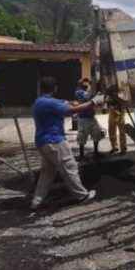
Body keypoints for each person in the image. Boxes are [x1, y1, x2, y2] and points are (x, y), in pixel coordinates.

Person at [31, 76, 103, 210]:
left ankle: (37, 200)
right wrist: (94, 102)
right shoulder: (51, 103)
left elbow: (63, 104)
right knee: (70, 167)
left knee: (47, 173)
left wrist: (69, 101)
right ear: (55, 88)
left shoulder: (39, 101)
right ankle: (82, 196)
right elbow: (72, 110)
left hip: (42, 142)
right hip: (54, 141)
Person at [75, 78, 103, 160]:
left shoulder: (89, 92)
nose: (85, 84)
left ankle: (96, 152)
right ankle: (81, 155)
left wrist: (91, 84)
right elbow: (87, 97)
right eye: (83, 83)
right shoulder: (78, 92)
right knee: (82, 137)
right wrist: (91, 84)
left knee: (96, 134)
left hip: (91, 117)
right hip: (83, 118)